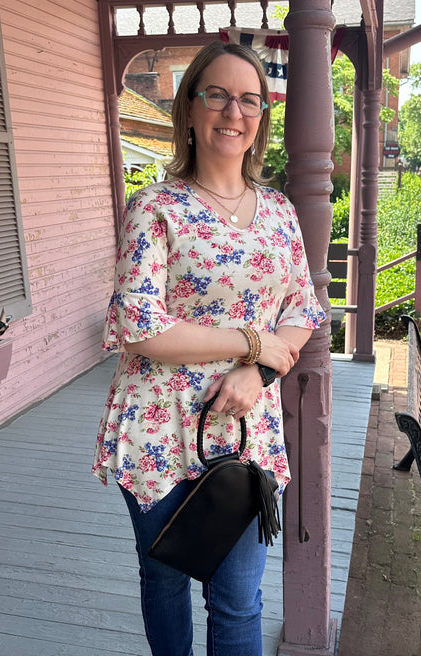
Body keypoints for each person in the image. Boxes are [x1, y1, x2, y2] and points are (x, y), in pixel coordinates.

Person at [92, 40, 325, 656]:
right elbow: (142, 326)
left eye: (250, 99)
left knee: (239, 600)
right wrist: (252, 340)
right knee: (165, 578)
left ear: (262, 120)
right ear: (189, 111)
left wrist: (256, 374)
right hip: (158, 427)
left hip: (246, 429)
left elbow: (302, 310)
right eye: (217, 94)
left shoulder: (279, 211)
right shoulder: (154, 209)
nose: (234, 111)